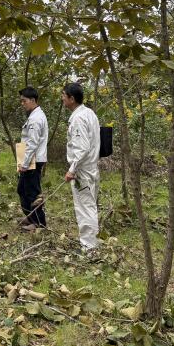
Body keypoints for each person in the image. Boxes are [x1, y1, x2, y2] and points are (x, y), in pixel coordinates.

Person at [62, 82, 100, 252]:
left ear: (72, 98)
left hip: (82, 170)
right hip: (91, 167)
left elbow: (82, 148)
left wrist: (72, 169)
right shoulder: (89, 113)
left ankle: (89, 247)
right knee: (90, 204)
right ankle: (91, 243)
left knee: (85, 207)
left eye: (64, 95)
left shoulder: (78, 118)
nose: (62, 98)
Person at [17, 86, 48, 231]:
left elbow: (32, 143)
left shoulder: (36, 119)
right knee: (22, 189)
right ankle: (30, 217)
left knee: (32, 192)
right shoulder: (34, 116)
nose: (22, 104)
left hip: (32, 158)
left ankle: (39, 223)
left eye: (24, 101)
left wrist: (25, 162)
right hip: (28, 157)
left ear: (33, 100)